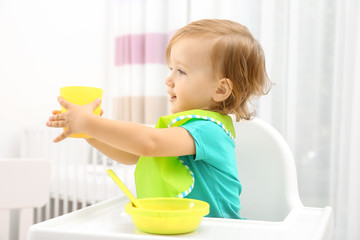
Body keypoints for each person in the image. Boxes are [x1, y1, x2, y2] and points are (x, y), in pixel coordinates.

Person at [47, 19, 271, 219]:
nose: (169, 79)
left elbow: (149, 143)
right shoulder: (180, 128)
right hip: (173, 227)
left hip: (216, 232)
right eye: (171, 68)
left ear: (220, 90)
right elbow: (132, 154)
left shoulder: (209, 130)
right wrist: (90, 133)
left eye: (181, 71)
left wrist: (89, 121)